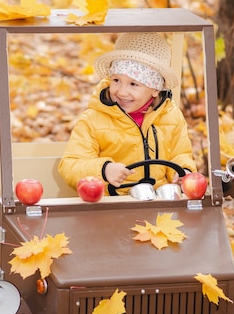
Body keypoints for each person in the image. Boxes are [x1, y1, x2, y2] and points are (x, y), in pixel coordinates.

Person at [58, 31, 196, 193]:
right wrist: (104, 170)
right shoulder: (92, 120)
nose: (122, 92)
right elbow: (71, 165)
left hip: (158, 201)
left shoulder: (171, 117)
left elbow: (180, 154)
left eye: (133, 84)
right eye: (116, 80)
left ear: (154, 89)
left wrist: (183, 172)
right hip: (112, 204)